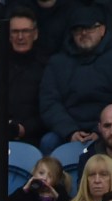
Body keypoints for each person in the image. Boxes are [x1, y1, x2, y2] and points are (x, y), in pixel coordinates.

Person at [38, 4, 112, 154]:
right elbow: (49, 102)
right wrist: (70, 131)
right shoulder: (57, 63)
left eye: (89, 28)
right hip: (66, 131)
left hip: (106, 129)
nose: (83, 33)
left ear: (102, 30)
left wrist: (99, 131)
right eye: (78, 29)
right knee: (48, 142)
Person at [0, 6, 47, 146]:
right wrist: (3, 126)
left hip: (32, 138)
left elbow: (48, 108)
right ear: (7, 35)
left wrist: (24, 129)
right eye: (15, 31)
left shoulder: (46, 67)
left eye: (25, 31)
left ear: (35, 34)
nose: (20, 37)